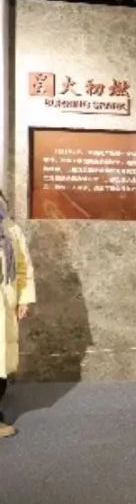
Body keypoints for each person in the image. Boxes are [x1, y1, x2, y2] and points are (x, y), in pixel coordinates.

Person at [0, 186, 35, 439]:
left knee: (1, 363)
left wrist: (24, 299)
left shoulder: (11, 229)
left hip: (5, 302)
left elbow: (23, 265)